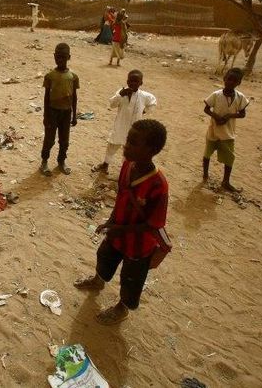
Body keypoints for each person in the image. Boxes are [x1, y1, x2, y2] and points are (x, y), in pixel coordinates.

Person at [74, 119, 169, 325]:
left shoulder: (158, 185)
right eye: (128, 140)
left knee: (131, 279)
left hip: (138, 244)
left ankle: (122, 308)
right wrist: (111, 222)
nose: (126, 146)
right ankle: (99, 280)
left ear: (151, 150)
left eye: (134, 143)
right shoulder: (128, 165)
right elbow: (122, 196)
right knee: (105, 256)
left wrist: (121, 229)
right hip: (117, 231)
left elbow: (154, 224)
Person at [92, 70, 157, 174]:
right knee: (112, 145)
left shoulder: (144, 96)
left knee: (129, 151)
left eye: (136, 81)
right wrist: (120, 95)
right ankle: (105, 164)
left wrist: (144, 111)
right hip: (120, 126)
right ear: (127, 81)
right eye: (131, 81)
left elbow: (153, 102)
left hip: (134, 129)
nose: (133, 83)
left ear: (141, 83)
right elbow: (112, 104)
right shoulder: (121, 93)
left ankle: (125, 171)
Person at [202, 67, 249, 192]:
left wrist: (229, 116)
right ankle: (205, 175)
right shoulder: (216, 95)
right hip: (213, 130)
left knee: (229, 157)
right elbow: (206, 109)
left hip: (228, 133)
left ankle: (226, 181)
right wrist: (216, 116)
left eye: (234, 81)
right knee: (207, 154)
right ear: (224, 79)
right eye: (229, 79)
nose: (230, 83)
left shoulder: (240, 98)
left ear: (239, 83)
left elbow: (243, 114)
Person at [40, 43, 79, 176]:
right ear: (54, 57)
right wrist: (45, 116)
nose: (60, 60)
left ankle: (61, 161)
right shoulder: (50, 76)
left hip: (66, 112)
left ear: (69, 57)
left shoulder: (73, 77)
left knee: (64, 140)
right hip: (52, 112)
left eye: (63, 57)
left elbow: (74, 97)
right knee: (49, 139)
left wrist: (74, 115)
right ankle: (44, 162)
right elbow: (46, 97)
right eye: (57, 57)